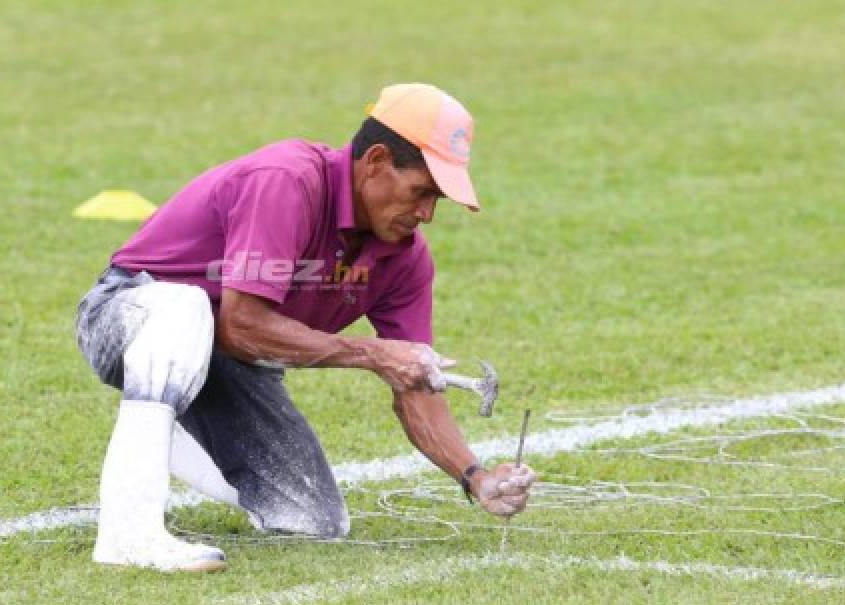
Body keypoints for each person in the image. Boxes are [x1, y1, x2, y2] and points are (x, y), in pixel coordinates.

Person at [76, 82, 537, 572]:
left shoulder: (406, 259)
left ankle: (166, 429)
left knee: (313, 520)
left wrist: (475, 476)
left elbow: (415, 382)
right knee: (185, 307)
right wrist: (373, 354)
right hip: (128, 315)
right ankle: (129, 534)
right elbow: (242, 326)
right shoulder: (286, 181)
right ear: (376, 161)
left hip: (228, 363)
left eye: (437, 199)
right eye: (422, 191)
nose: (427, 214)